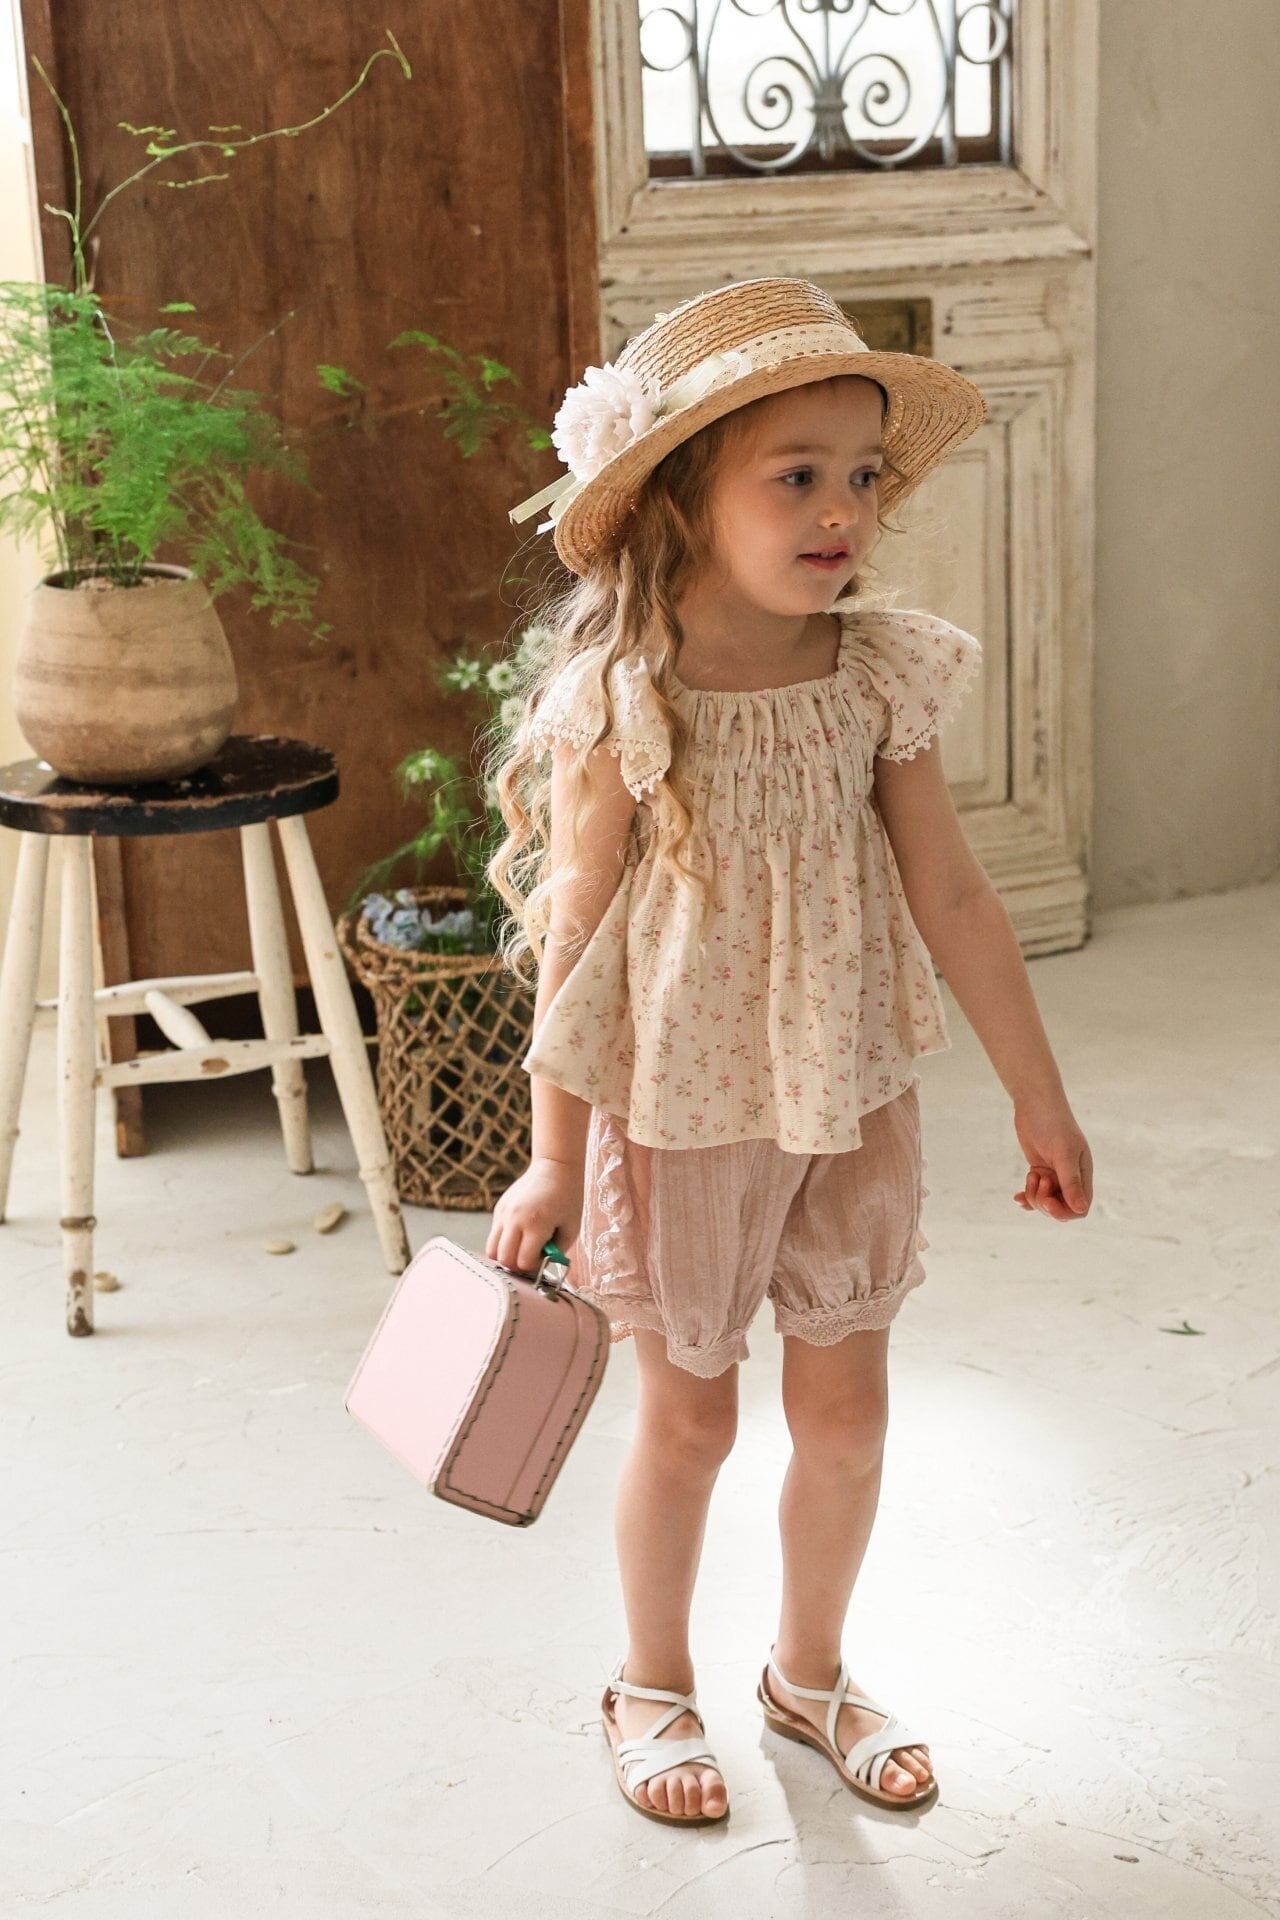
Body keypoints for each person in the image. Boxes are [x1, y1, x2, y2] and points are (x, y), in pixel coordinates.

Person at [483, 277, 1093, 1827]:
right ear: (681, 499)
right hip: (679, 1111)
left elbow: (953, 892)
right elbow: (575, 935)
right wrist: (552, 1158)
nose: (842, 513)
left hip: (849, 1095)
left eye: (863, 476)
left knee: (848, 1419)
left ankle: (808, 1674)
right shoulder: (629, 698)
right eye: (797, 475)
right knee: (689, 1421)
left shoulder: (878, 673)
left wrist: (1040, 1096)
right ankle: (649, 1681)